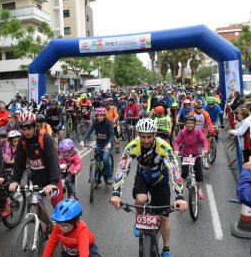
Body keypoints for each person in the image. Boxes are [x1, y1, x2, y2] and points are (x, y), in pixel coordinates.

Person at [110, 118, 187, 257]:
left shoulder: (163, 147)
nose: (145, 140)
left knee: (164, 218)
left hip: (160, 181)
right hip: (143, 178)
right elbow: (122, 168)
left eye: (149, 137)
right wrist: (116, 193)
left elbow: (175, 170)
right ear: (138, 134)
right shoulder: (133, 146)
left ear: (155, 134)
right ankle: (139, 219)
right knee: (141, 199)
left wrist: (180, 197)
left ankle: (167, 249)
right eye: (143, 137)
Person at [9, 111, 64, 208]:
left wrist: (53, 183)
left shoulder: (45, 138)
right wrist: (15, 180)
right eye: (23, 129)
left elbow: (53, 160)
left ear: (35, 126)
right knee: (35, 208)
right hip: (37, 180)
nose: (26, 132)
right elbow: (19, 161)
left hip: (51, 178)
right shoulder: (22, 141)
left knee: (59, 208)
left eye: (29, 128)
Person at [173, 115, 208, 199]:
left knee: (199, 176)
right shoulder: (182, 132)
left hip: (196, 155)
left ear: (194, 124)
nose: (190, 125)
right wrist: (176, 150)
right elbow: (176, 142)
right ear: (185, 124)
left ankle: (199, 189)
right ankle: (179, 191)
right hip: (185, 155)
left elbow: (204, 140)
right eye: (188, 123)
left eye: (192, 123)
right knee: (184, 174)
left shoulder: (198, 132)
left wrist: (205, 149)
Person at [80, 107, 115, 185]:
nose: (99, 117)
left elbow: (112, 135)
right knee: (98, 161)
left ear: (104, 116)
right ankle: (97, 178)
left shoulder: (108, 122)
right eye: (97, 115)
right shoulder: (95, 122)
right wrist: (82, 140)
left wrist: (109, 144)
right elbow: (89, 131)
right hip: (99, 143)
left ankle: (109, 176)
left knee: (105, 158)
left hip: (107, 144)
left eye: (101, 115)